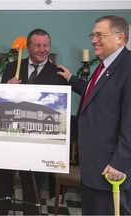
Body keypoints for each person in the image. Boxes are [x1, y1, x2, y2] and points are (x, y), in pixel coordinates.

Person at [57, 15, 131, 215]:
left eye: (100, 35)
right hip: (93, 165)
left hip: (112, 168)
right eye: (93, 35)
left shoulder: (127, 67)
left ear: (120, 38)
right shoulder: (103, 65)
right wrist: (71, 79)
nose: (93, 40)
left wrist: (119, 162)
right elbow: (96, 94)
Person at [0, 28, 67, 215]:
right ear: (29, 46)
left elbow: (60, 110)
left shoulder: (59, 73)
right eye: (37, 45)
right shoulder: (12, 67)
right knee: (1, 185)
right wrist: (6, 89)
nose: (42, 49)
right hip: (9, 140)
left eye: (46, 45)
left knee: (32, 191)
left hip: (38, 145)